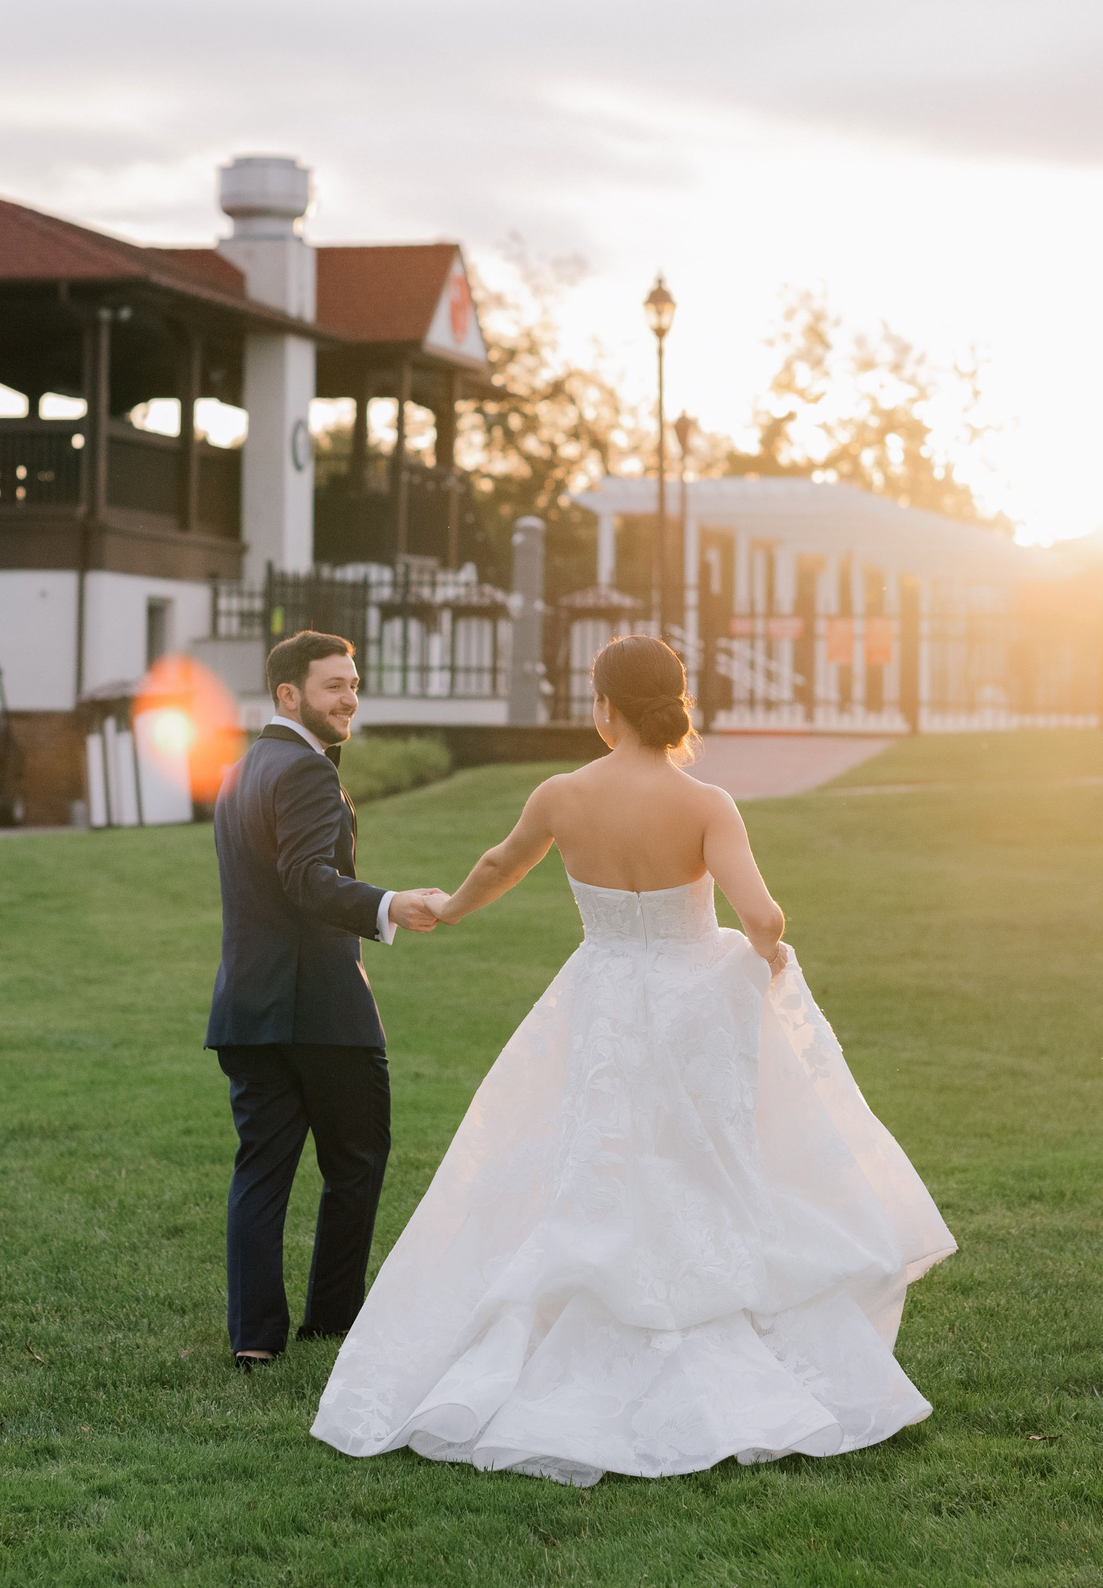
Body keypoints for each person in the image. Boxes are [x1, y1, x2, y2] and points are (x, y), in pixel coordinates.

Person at [310, 634, 954, 1486]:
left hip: (602, 1001)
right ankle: (723, 1325)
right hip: (694, 1007)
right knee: (706, 1164)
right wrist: (758, 955)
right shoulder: (706, 803)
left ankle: (575, 1340)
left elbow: (502, 863)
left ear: (606, 706)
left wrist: (451, 909)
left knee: (592, 1160)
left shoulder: (562, 795)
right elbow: (762, 915)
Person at [206, 631, 451, 1366]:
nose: (350, 698)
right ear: (289, 695)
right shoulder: (307, 773)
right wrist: (389, 904)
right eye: (333, 686)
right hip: (322, 1011)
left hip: (247, 1008)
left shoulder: (240, 771)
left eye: (353, 683)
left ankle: (254, 1341)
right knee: (357, 1161)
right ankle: (333, 1323)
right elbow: (307, 879)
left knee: (260, 1171)